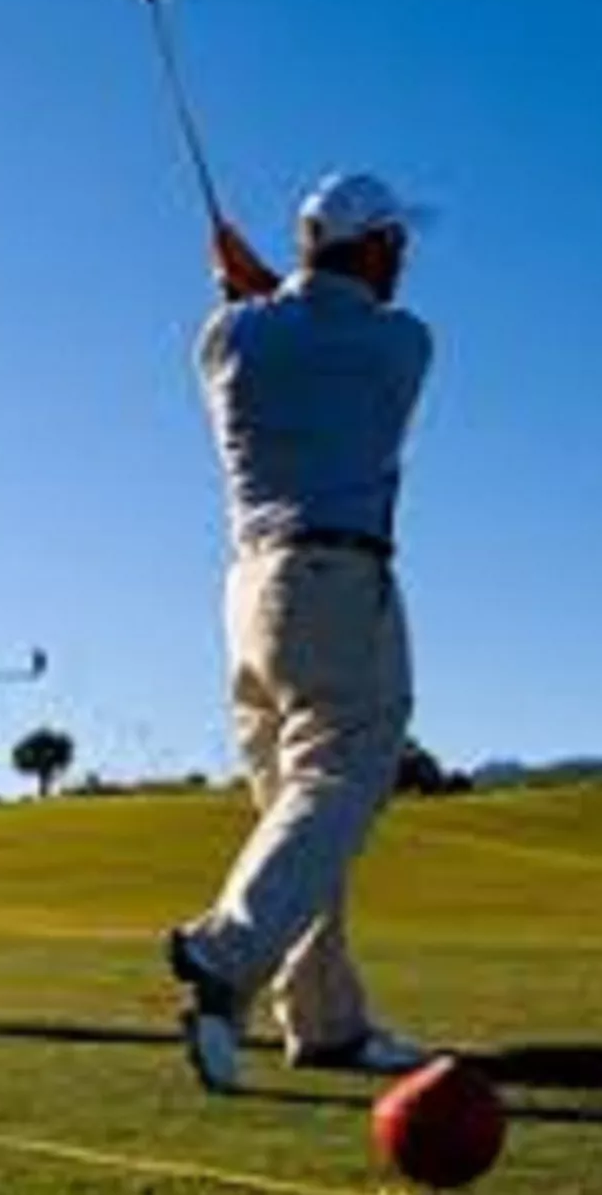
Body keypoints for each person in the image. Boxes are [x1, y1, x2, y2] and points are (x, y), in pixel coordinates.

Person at [167, 172, 436, 1092]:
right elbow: (331, 330)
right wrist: (266, 283)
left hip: (250, 599)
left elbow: (276, 325)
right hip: (338, 583)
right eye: (396, 241)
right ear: (367, 247)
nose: (403, 256)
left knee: (292, 807)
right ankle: (225, 951)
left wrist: (255, 290)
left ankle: (323, 1021)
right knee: (335, 783)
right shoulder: (403, 344)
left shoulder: (223, 337)